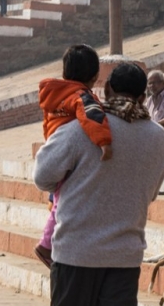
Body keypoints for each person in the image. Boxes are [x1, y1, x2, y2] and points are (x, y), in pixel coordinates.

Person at [19, 62, 164, 306]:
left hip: (75, 252)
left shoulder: (78, 130)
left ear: (105, 90)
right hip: (124, 253)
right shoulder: (156, 136)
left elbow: (42, 176)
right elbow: (151, 190)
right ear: (142, 96)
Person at [33, 44, 112, 268]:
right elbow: (91, 116)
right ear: (95, 75)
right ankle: (46, 245)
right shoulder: (81, 96)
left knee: (57, 201)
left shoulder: (54, 94)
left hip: (55, 149)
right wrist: (103, 142)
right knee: (59, 203)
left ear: (65, 72)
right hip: (69, 155)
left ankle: (48, 243)